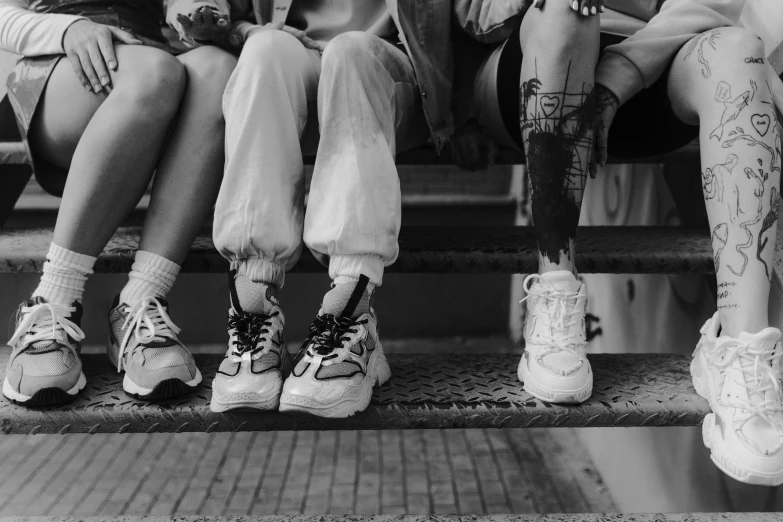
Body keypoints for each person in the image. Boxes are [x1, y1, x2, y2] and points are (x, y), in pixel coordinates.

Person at [455, 0, 783, 486]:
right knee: (566, 13)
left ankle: (738, 349)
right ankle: (555, 292)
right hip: (527, 60)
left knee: (736, 49)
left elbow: (718, 5)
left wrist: (622, 72)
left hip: (653, 62)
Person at [177, 0, 452, 417]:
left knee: (351, 51)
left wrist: (464, 116)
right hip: (299, 59)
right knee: (265, 49)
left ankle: (351, 312)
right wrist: (213, 17)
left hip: (390, 66)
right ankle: (254, 314)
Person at [0, 0, 236, 406]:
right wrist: (67, 29)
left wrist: (201, 18)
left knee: (218, 68)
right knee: (154, 72)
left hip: (160, 66)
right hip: (62, 67)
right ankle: (53, 301)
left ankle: (140, 303)